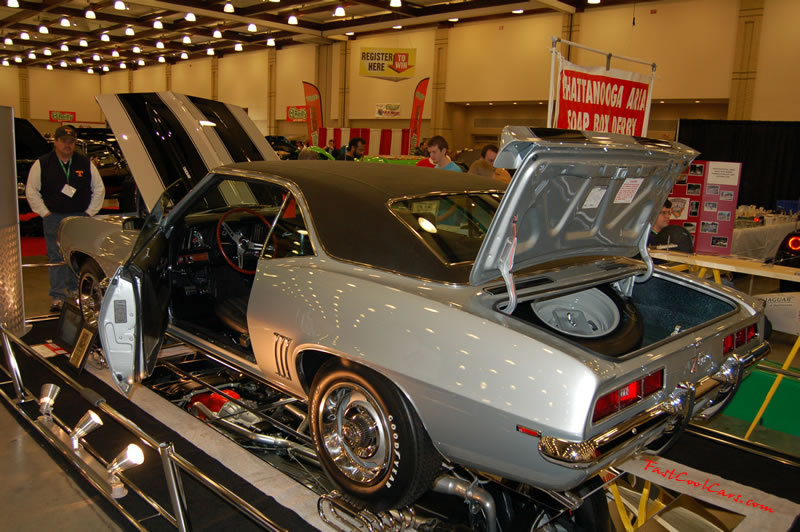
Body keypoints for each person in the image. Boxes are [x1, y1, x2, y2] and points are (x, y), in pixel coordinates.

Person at [26, 124, 105, 312]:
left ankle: (75, 291)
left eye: (71, 141)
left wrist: (89, 213)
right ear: (56, 142)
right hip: (54, 218)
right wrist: (44, 212)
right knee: (56, 257)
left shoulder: (85, 163)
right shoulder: (42, 163)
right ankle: (57, 296)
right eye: (63, 141)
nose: (67, 145)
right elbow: (32, 190)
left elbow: (99, 189)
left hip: (79, 218)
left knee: (78, 256)